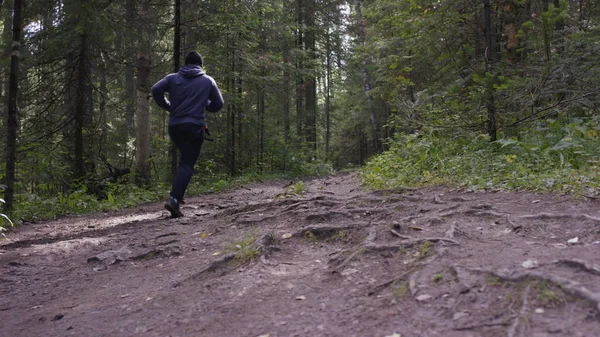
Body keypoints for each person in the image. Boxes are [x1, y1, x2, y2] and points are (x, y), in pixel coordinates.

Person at [152, 51, 224, 218]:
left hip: (175, 126)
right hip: (194, 127)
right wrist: (204, 104)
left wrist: (169, 106)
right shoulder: (207, 81)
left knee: (185, 159)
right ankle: (174, 200)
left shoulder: (172, 78)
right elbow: (218, 104)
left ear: (185, 64)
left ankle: (178, 194)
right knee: (187, 163)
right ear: (200, 65)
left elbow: (156, 89)